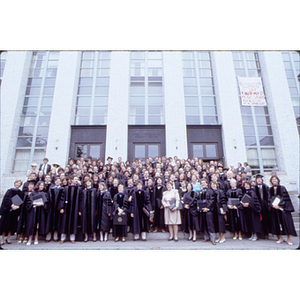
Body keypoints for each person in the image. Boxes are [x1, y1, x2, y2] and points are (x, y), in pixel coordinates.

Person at [269, 175, 297, 245]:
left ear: (278, 180)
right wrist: (272, 205)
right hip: (274, 209)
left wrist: (279, 205)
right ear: (271, 181)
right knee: (277, 224)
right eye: (273, 180)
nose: (274, 180)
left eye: (275, 179)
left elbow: (284, 198)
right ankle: (280, 238)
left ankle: (289, 239)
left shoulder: (282, 188)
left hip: (282, 209)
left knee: (286, 224)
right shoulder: (270, 189)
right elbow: (269, 199)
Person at [59, 175, 82, 244]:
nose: (76, 180)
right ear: (71, 180)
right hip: (66, 208)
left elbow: (81, 200)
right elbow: (62, 198)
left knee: (73, 222)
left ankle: (72, 238)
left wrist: (79, 210)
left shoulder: (79, 189)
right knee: (64, 222)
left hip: (75, 209)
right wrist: (62, 207)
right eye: (75, 179)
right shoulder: (66, 188)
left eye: (77, 179)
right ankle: (63, 238)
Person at [25, 181, 49, 245]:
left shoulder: (45, 194)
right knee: (31, 225)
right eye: (40, 185)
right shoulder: (33, 193)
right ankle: (29, 239)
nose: (41, 187)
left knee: (38, 226)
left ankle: (36, 238)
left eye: (42, 185)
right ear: (37, 185)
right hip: (33, 211)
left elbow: (47, 203)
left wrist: (42, 204)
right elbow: (28, 202)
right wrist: (34, 203)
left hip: (40, 211)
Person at [0, 180, 24, 245]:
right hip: (8, 211)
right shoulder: (9, 191)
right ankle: (2, 239)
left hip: (15, 212)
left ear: (20, 185)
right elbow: (6, 200)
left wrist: (18, 207)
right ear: (14, 183)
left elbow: (21, 202)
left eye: (19, 183)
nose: (17, 184)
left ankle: (8, 238)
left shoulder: (20, 193)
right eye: (16, 183)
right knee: (5, 225)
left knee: (11, 225)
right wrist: (11, 205)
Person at [45, 177, 65, 242]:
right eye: (56, 181)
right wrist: (47, 207)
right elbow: (47, 198)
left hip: (58, 208)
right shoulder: (51, 189)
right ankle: (48, 235)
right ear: (54, 182)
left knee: (57, 222)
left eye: (59, 181)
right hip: (51, 208)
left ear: (60, 182)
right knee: (49, 221)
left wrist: (61, 207)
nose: (57, 182)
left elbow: (63, 199)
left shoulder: (62, 189)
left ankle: (55, 236)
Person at [198, 178, 216, 245]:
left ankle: (212, 239)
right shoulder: (201, 191)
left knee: (210, 224)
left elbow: (211, 201)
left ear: (207, 183)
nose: (203, 184)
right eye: (202, 183)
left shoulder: (210, 191)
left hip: (208, 210)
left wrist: (207, 208)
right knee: (204, 224)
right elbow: (199, 200)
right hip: (202, 210)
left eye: (204, 183)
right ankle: (206, 237)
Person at [254, 174, 271, 240]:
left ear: (262, 180)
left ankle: (266, 234)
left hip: (265, 206)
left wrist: (267, 204)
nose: (258, 180)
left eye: (260, 179)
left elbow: (269, 196)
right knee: (259, 220)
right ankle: (260, 234)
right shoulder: (254, 188)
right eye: (257, 179)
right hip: (258, 206)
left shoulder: (266, 187)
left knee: (266, 220)